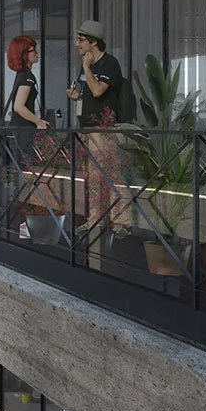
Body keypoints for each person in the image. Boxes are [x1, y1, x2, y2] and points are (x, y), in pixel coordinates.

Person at [67, 20, 129, 254]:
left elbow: (98, 90)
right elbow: (87, 94)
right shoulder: (88, 65)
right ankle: (95, 219)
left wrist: (86, 67)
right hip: (87, 128)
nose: (77, 44)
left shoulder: (108, 63)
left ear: (93, 42)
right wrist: (76, 96)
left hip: (104, 128)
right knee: (93, 177)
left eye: (81, 40)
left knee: (110, 174)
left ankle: (121, 222)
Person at [6, 33, 43, 130]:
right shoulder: (27, 76)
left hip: (20, 128)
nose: (37, 52)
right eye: (33, 50)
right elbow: (18, 107)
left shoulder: (22, 74)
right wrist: (39, 122)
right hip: (24, 129)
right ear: (24, 54)